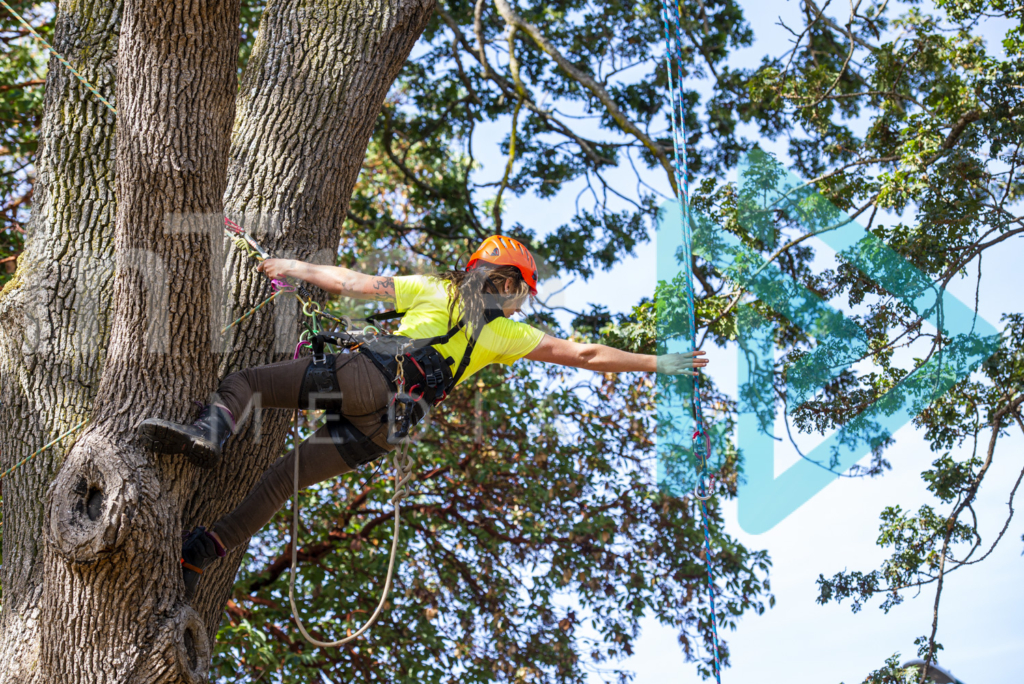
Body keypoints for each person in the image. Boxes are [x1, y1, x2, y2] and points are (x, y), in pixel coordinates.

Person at [137, 235, 708, 600]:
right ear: (505, 283)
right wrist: (663, 362)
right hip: (389, 431)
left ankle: (207, 437)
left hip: (367, 381)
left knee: (246, 384)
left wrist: (289, 265)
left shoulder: (434, 287)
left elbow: (356, 284)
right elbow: (586, 356)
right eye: (520, 292)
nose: (520, 303)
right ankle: (200, 554)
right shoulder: (506, 334)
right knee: (281, 481)